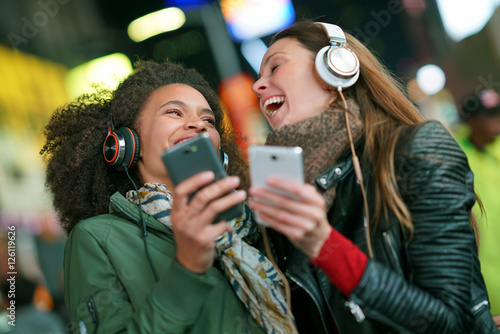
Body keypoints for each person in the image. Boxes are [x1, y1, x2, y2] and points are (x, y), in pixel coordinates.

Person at [248, 20, 499, 333]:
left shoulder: (413, 150)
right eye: (259, 77)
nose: (258, 86)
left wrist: (325, 246)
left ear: (336, 68)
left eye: (276, 67)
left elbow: (450, 322)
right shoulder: (287, 197)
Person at [40, 60, 295, 334]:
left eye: (208, 120)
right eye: (174, 112)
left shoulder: (254, 224)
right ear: (126, 144)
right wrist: (187, 268)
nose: (198, 124)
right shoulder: (95, 237)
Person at [455, 89, 500, 322]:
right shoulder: (454, 156)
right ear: (470, 120)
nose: (497, 121)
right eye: (490, 116)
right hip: (489, 289)